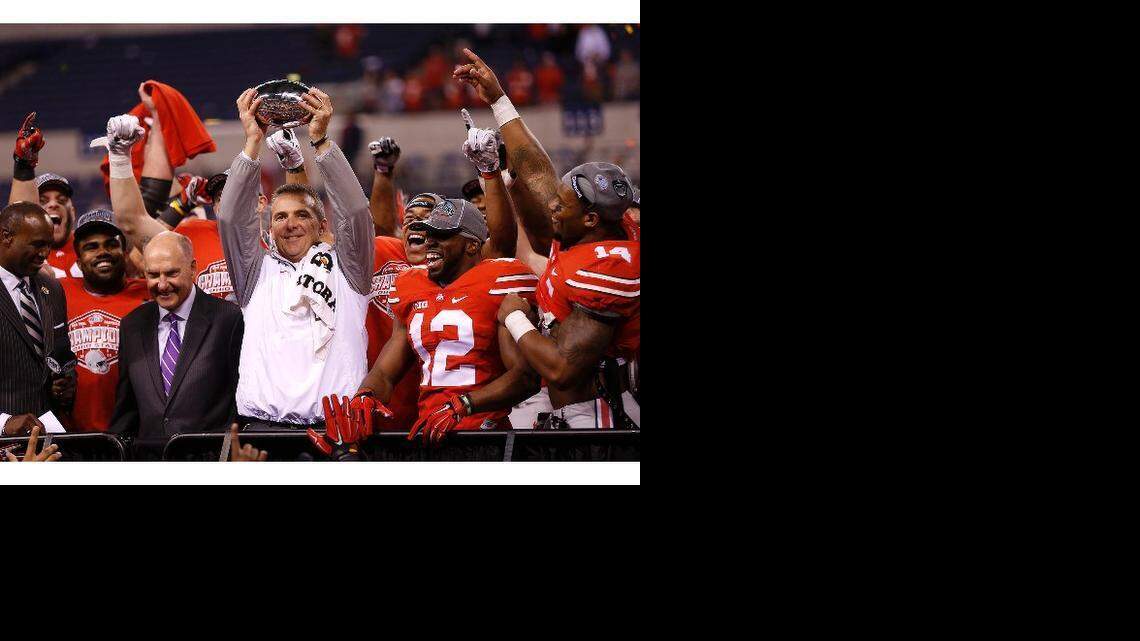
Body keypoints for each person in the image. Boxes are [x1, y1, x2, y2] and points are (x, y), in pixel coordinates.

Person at [455, 48, 640, 430]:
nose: (552, 206)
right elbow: (538, 172)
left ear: (590, 218)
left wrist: (516, 318)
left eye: (563, 205)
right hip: (562, 411)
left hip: (601, 416)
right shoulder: (586, 229)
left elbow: (561, 368)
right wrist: (498, 100)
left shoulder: (611, 265)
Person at [316, 198, 540, 452]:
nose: (430, 240)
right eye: (428, 231)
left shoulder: (501, 281)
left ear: (472, 245)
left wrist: (466, 403)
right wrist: (366, 395)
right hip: (430, 431)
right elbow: (385, 372)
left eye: (442, 235)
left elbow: (525, 377)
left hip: (486, 434)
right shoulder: (411, 285)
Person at [218, 86, 375, 428]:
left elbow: (356, 211)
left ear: (321, 225)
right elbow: (230, 217)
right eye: (280, 217)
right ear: (269, 228)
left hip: (336, 429)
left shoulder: (349, 269)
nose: (290, 225)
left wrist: (320, 141)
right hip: (263, 430)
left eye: (301, 215)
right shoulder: (255, 273)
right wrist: (252, 142)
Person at [110, 232, 244, 443]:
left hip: (209, 463)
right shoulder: (131, 325)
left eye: (171, 273)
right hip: (151, 463)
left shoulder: (228, 319)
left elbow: (242, 402)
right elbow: (127, 410)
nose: (162, 285)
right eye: (153, 275)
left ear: (192, 268)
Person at [60, 209, 150, 432]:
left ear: (125, 252)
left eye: (111, 244)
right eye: (91, 247)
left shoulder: (150, 293)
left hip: (135, 434)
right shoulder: (57, 292)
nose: (102, 252)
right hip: (71, 438)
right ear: (79, 262)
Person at [0, 201, 76, 437]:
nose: (45, 254)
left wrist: (66, 382)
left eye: (49, 245)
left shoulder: (51, 289)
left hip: (49, 437)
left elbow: (60, 354)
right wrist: (4, 423)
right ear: (6, 237)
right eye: (37, 244)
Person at [8, 112, 79, 279]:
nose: (53, 204)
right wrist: (24, 166)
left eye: (62, 200)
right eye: (43, 201)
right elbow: (18, 217)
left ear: (73, 212)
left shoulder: (95, 246)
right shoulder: (22, 259)